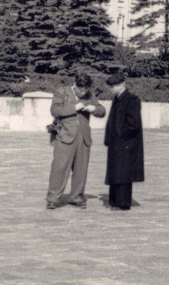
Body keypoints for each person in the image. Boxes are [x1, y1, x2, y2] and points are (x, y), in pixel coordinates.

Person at [46, 74, 106, 209]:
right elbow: (55, 110)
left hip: (83, 137)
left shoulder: (90, 95)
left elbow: (102, 111)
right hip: (65, 136)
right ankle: (53, 198)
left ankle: (76, 197)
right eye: (81, 89)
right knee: (59, 168)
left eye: (86, 89)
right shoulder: (62, 91)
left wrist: (94, 109)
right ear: (75, 84)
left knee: (81, 169)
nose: (83, 92)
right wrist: (75, 107)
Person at [103, 73, 144, 211]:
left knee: (123, 173)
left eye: (113, 87)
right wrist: (110, 139)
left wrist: (120, 136)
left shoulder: (132, 100)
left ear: (121, 85)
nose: (111, 89)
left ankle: (123, 203)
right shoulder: (117, 99)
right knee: (116, 172)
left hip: (126, 144)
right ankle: (114, 201)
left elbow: (133, 124)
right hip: (116, 143)